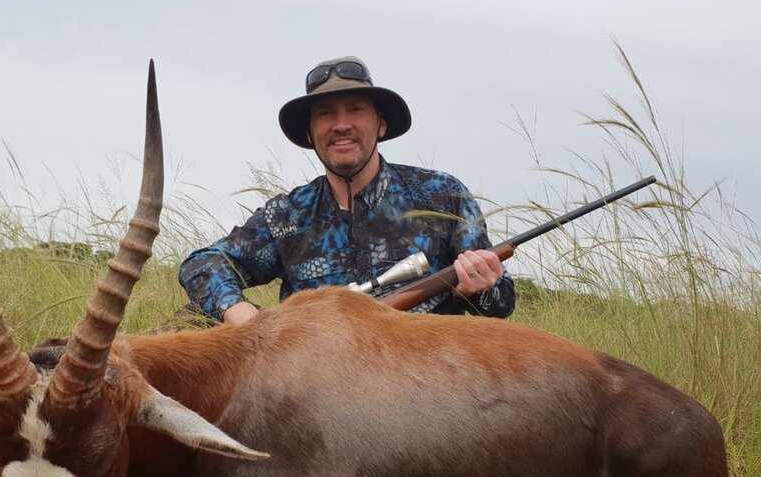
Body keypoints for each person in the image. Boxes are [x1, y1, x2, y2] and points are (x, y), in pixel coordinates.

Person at [179, 56, 515, 324]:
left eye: (356, 109)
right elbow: (202, 264)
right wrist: (243, 316)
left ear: (380, 124)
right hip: (321, 390)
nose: (341, 125)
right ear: (310, 134)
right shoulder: (286, 215)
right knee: (186, 326)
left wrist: (483, 286)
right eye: (325, 114)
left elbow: (501, 305)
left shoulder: (442, 196)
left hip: (427, 383)